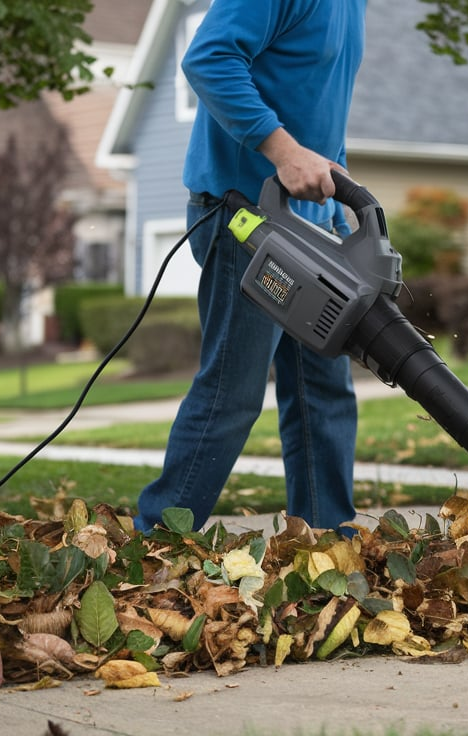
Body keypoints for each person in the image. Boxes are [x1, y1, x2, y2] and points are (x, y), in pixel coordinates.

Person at [134, 0, 367, 535]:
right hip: (247, 217)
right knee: (232, 392)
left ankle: (326, 539)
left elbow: (320, 108)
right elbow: (208, 59)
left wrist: (335, 207)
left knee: (322, 391)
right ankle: (155, 544)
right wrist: (285, 153)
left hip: (310, 225)